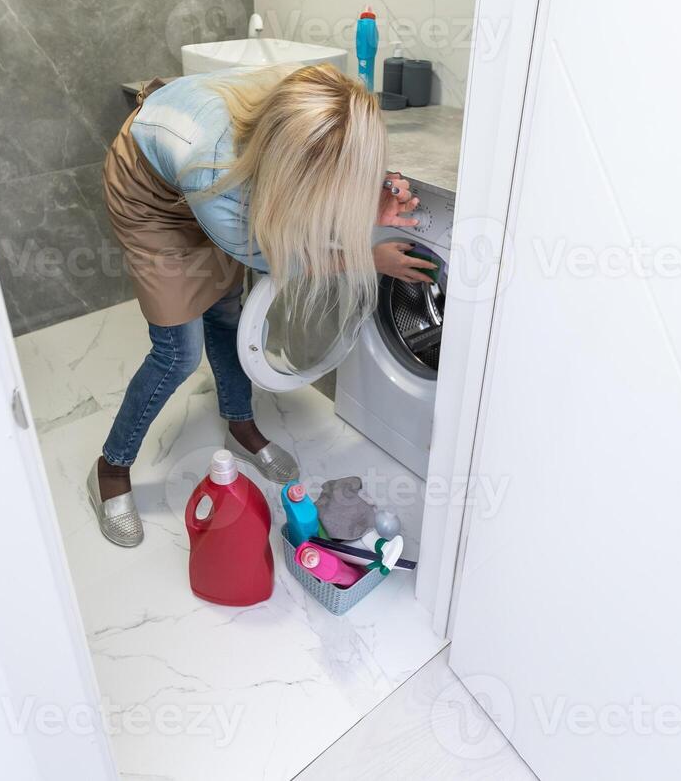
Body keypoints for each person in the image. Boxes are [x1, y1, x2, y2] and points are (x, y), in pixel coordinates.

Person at [92, 63, 437, 546]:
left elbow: (323, 181)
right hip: (151, 195)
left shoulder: (309, 106)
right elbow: (286, 259)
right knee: (177, 355)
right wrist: (366, 256)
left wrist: (371, 199)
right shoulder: (218, 182)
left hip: (212, 172)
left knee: (226, 312)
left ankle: (240, 424)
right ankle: (111, 466)